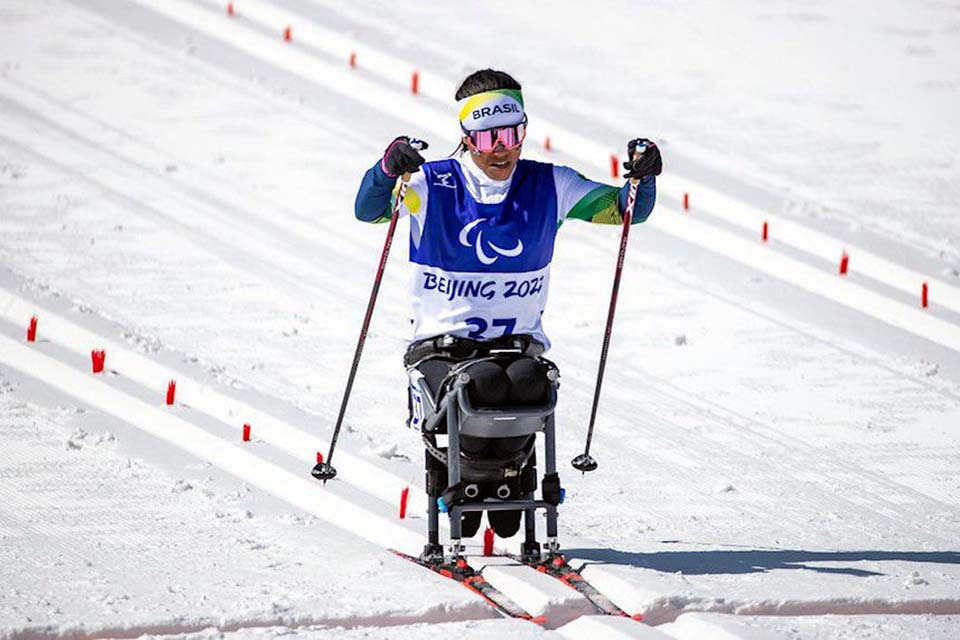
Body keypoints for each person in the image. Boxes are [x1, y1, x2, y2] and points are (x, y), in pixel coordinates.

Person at [354, 68, 660, 540]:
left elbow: (627, 210)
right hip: (443, 351)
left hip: (518, 349)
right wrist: (388, 169)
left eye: (513, 133)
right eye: (489, 137)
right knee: (481, 386)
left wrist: (644, 178)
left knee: (524, 382)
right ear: (466, 137)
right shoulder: (433, 185)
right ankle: (468, 487)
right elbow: (369, 210)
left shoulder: (550, 185)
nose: (503, 148)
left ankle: (506, 486)